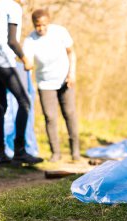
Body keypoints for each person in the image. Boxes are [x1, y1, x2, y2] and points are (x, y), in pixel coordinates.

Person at [23, 9, 80, 162]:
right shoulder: (30, 40)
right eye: (37, 26)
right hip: (45, 83)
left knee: (70, 113)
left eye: (43, 25)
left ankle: (75, 152)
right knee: (50, 117)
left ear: (49, 22)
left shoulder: (60, 32)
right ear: (34, 25)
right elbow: (27, 62)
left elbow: (71, 52)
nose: (40, 28)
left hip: (65, 79)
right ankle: (56, 153)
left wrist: (72, 73)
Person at [0, 0, 43, 165]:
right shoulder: (13, 7)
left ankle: (1, 155)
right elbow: (12, 40)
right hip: (3, 61)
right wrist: (24, 59)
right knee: (25, 101)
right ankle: (19, 151)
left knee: (0, 107)